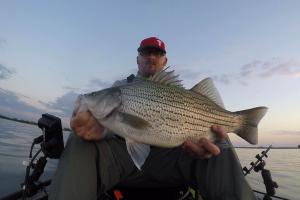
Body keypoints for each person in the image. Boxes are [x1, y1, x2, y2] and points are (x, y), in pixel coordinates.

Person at [49, 37, 256, 200]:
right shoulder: (119, 87)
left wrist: (210, 133)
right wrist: (95, 128)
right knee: (78, 140)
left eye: (158, 53)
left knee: (220, 141)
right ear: (137, 59)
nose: (151, 57)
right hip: (124, 161)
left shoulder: (181, 92)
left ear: (164, 61)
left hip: (176, 156)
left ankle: (240, 124)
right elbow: (104, 126)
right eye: (146, 52)